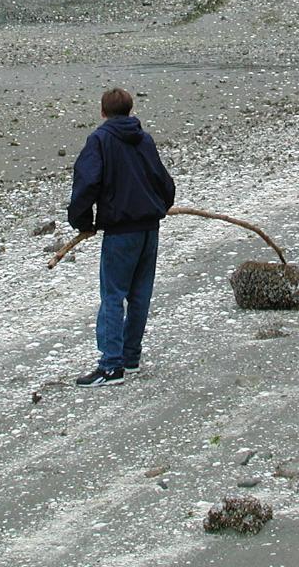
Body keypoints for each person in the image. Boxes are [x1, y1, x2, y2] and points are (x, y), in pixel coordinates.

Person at [68, 88, 176, 387]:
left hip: (122, 230)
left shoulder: (100, 140)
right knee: (140, 295)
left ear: (103, 112)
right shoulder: (144, 139)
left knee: (113, 296)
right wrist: (161, 207)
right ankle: (130, 358)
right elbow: (163, 180)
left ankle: (111, 365)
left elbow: (87, 182)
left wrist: (82, 222)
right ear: (130, 110)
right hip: (149, 227)